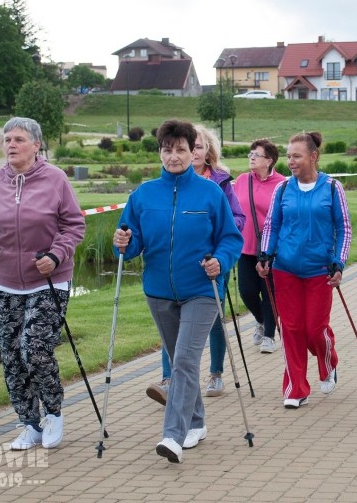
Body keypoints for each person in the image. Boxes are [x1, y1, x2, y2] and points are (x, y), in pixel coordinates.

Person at [0, 117, 85, 451]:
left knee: (34, 348)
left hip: (49, 280)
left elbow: (74, 225)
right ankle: (29, 422)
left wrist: (55, 255)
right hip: (4, 282)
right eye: (7, 139)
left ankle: (52, 412)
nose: (11, 145)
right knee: (11, 357)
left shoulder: (56, 180)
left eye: (19, 139)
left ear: (37, 145)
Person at [114, 119, 243, 463]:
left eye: (181, 149)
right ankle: (197, 422)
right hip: (158, 292)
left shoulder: (210, 193)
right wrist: (123, 243)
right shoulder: (143, 195)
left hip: (201, 289)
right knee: (180, 360)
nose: (174, 156)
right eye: (167, 149)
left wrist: (220, 260)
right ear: (160, 152)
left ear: (193, 152)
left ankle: (173, 435)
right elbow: (131, 241)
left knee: (184, 360)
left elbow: (231, 238)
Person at [144, 125, 245, 405]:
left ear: (204, 151)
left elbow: (234, 223)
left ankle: (214, 373)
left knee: (212, 325)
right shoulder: (159, 187)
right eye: (170, 149)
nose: (190, 152)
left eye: (197, 147)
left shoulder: (220, 185)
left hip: (209, 270)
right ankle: (171, 380)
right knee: (175, 336)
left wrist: (215, 251)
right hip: (170, 279)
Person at [257, 132, 351, 409]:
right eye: (288, 156)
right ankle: (295, 387)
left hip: (319, 271)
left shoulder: (332, 188)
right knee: (292, 328)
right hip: (285, 269)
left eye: (296, 156)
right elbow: (272, 225)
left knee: (314, 329)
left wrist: (339, 261)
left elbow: (344, 228)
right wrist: (266, 255)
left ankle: (328, 362)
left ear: (313, 156)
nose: (291, 161)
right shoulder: (283, 189)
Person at [232, 139, 286, 354]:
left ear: (269, 160)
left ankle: (269, 336)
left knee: (269, 292)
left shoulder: (282, 184)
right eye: (250, 154)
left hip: (270, 249)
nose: (251, 158)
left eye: (256, 154)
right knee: (247, 292)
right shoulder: (243, 180)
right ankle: (261, 320)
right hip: (246, 248)